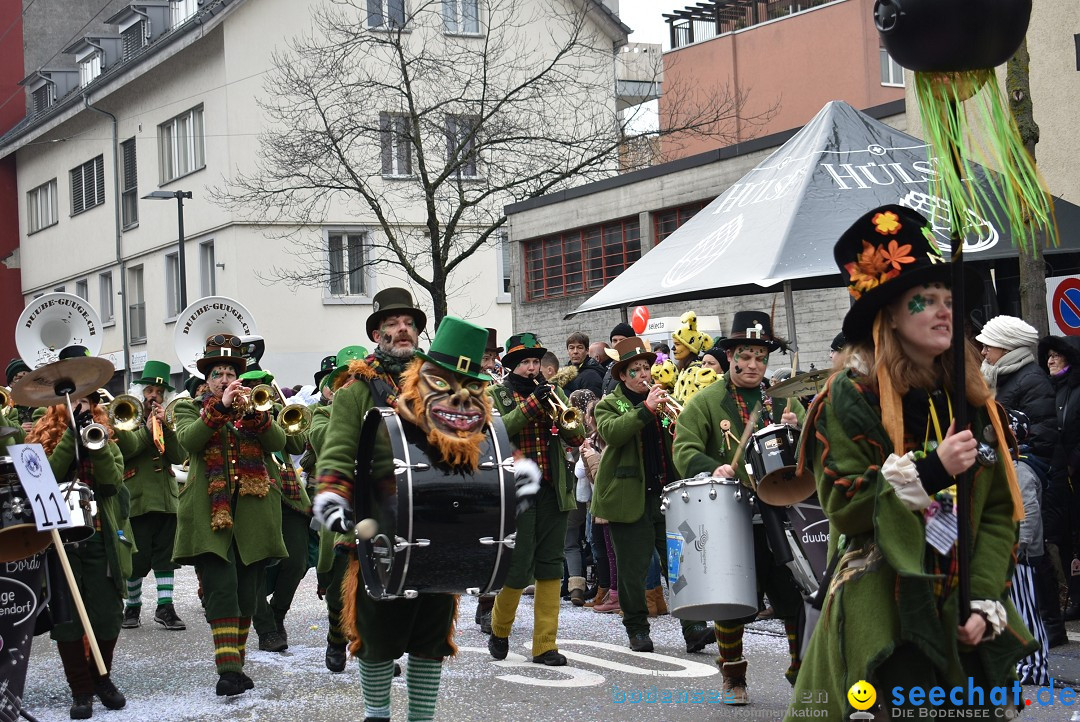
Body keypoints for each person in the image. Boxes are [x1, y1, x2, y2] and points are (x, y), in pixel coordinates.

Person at [786, 205, 1036, 720]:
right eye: (926, 300)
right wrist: (932, 471)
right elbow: (849, 511)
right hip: (885, 606)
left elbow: (993, 514)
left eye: (950, 299)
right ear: (890, 315)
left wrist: (983, 597)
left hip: (957, 603)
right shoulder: (850, 395)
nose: (945, 310)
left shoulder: (972, 398)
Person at [313, 317, 496, 722]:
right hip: (379, 526)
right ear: (377, 335)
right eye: (392, 324)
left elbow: (483, 453)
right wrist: (333, 497)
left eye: (409, 323)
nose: (402, 330)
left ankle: (421, 718)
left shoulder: (463, 397)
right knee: (376, 632)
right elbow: (339, 451)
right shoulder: (356, 391)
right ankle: (376, 715)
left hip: (443, 526)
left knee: (432, 633)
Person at [674, 310, 804, 704]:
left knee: (795, 596)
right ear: (730, 356)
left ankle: (802, 669)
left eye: (760, 357)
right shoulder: (706, 402)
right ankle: (733, 677)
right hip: (729, 514)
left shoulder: (783, 398)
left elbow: (814, 451)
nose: (752, 365)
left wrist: (797, 430)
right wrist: (712, 466)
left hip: (780, 512)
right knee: (731, 600)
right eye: (744, 356)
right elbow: (683, 450)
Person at [172, 334, 289, 697]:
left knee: (246, 594)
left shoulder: (255, 407)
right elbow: (187, 442)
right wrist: (219, 409)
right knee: (221, 590)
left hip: (253, 512)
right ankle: (229, 670)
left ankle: (234, 668)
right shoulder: (188, 408)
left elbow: (281, 444)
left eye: (229, 372)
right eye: (217, 373)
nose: (224, 379)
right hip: (211, 512)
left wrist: (256, 416)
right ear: (207, 381)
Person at [28, 348, 131, 720]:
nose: (80, 405)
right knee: (68, 618)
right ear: (57, 405)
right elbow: (43, 482)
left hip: (100, 535)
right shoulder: (41, 435)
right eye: (71, 401)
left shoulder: (105, 434)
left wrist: (95, 443)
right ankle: (81, 690)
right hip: (60, 539)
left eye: (85, 399)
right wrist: (68, 441)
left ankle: (102, 678)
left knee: (106, 614)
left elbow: (112, 484)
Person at [593, 337, 711, 652]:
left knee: (680, 563)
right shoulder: (609, 404)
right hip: (629, 498)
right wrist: (645, 410)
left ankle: (695, 626)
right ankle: (637, 628)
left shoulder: (662, 400)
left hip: (667, 495)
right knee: (632, 570)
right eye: (636, 370)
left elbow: (681, 439)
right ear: (622, 375)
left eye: (647, 367)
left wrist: (678, 423)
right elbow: (613, 434)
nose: (644, 374)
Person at [487, 333, 584, 667]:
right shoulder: (496, 394)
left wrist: (563, 415)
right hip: (518, 494)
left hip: (554, 489)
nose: (532, 368)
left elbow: (577, 435)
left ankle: (545, 645)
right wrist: (533, 405)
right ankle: (499, 628)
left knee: (550, 566)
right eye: (525, 362)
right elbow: (498, 433)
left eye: (535, 362)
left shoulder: (554, 392)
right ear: (513, 365)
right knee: (519, 565)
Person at [977, 316, 1063, 645]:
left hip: (1024, 471)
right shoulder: (995, 375)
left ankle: (1048, 627)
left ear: (1008, 345)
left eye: (989, 344)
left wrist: (1013, 452)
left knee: (1028, 546)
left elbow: (1042, 436)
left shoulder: (1031, 379)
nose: (982, 350)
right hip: (1004, 469)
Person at [242, 368, 312, 654]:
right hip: (253, 491)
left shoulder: (277, 408)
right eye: (255, 388)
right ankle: (266, 628)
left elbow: (295, 443)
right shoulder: (239, 411)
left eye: (264, 388)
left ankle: (277, 613)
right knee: (254, 567)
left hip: (288, 492)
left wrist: (279, 408)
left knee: (297, 562)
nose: (262, 392)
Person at [306, 347, 366, 672]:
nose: (349, 385)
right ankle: (335, 637)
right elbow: (322, 440)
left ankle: (370, 645)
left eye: (355, 379)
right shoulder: (321, 414)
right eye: (343, 380)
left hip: (374, 500)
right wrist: (348, 411)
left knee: (375, 576)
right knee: (338, 576)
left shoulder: (375, 405)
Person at [118, 360, 188, 632]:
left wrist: (166, 429)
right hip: (137, 496)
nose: (153, 397)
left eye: (159, 393)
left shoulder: (167, 420)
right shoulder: (125, 418)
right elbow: (126, 450)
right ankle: (132, 606)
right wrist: (147, 431)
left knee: (166, 555)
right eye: (149, 391)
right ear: (140, 392)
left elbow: (179, 456)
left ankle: (165, 607)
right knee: (137, 557)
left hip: (165, 497)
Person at [1038, 334, 1080, 623]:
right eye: (1048, 355)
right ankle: (1076, 597)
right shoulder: (1051, 389)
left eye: (1057, 355)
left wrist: (1073, 461)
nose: (1050, 360)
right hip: (1059, 478)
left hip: (1075, 473)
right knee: (1065, 539)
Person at [563, 332, 604, 398]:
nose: (575, 351)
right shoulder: (565, 373)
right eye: (571, 348)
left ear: (587, 350)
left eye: (580, 347)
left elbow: (593, 405)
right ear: (567, 351)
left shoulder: (591, 376)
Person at [602, 322, 635, 394]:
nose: (618, 343)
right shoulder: (609, 365)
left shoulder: (637, 364)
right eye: (614, 340)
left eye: (622, 340)